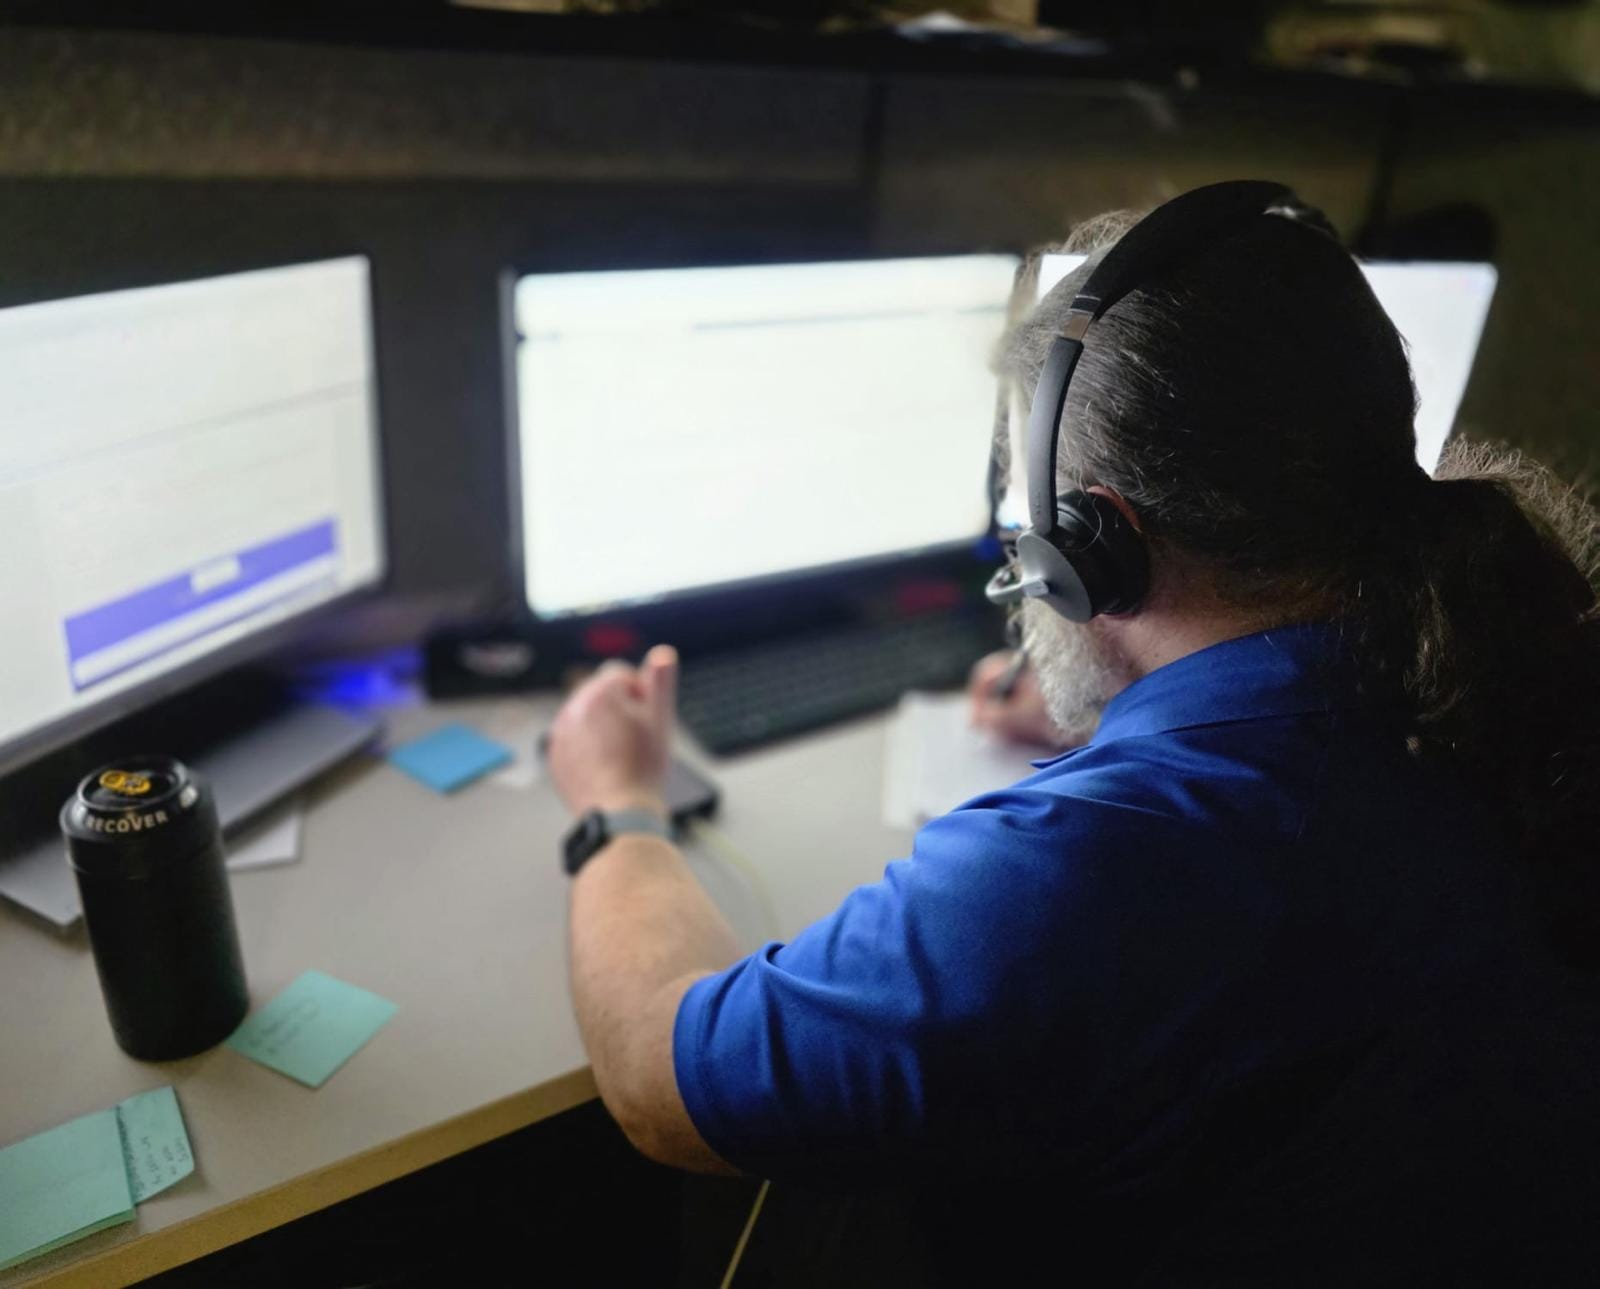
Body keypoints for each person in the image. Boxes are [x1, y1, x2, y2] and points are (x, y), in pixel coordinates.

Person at [544, 187, 1600, 1285]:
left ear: (1093, 546)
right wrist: (1140, 698)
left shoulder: (1093, 870)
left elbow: (658, 1083)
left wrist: (615, 801)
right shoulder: (1517, 670)